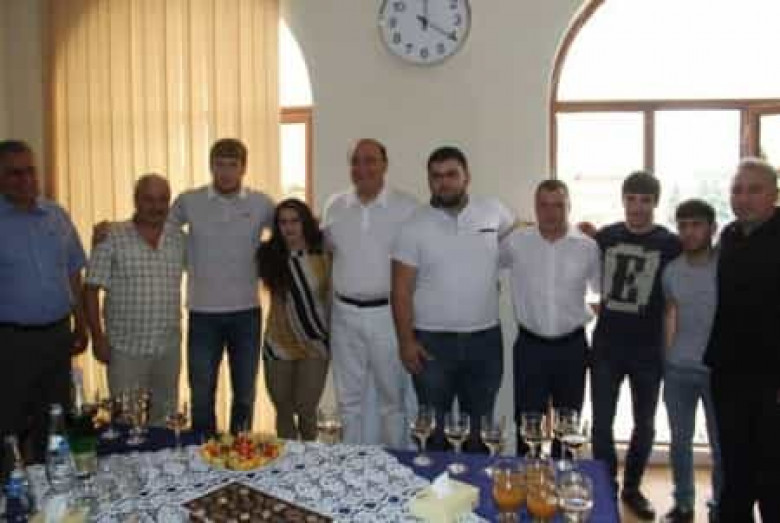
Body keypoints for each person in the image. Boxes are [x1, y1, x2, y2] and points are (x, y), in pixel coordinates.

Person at [392, 145, 515, 450]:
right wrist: (406, 342)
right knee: (433, 432)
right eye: (436, 176)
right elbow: (401, 290)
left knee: (480, 430)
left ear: (466, 177)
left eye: (451, 174)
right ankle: (435, 482)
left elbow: (520, 240)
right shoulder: (413, 226)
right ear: (429, 181)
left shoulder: (493, 211)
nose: (443, 182)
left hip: (485, 341)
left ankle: (476, 482)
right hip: (432, 344)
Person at [590, 171, 681, 520]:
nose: (638, 207)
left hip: (647, 350)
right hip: (607, 347)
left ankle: (632, 488)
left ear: (656, 203)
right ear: (623, 200)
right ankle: (605, 486)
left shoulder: (670, 243)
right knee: (601, 423)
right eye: (631, 199)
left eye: (645, 200)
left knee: (645, 424)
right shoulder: (606, 237)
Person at [170, 138, 275, 435]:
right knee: (202, 394)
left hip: (246, 312)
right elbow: (159, 230)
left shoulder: (261, 203)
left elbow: (290, 231)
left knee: (245, 394)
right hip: (202, 312)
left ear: (243, 168)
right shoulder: (189, 201)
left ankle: (240, 451)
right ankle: (204, 451)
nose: (226, 172)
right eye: (220, 165)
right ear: (210, 166)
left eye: (232, 165)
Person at [322, 138, 418, 447]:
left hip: (387, 315)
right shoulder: (334, 206)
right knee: (348, 400)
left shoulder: (407, 207)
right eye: (356, 161)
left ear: (384, 165)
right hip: (344, 315)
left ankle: (395, 464)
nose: (362, 168)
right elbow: (327, 257)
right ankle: (352, 464)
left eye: (370, 160)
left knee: (392, 399)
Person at [0, 140, 88, 464]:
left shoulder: (56, 215)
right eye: (14, 173)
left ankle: (54, 488)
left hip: (57, 337)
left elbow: (73, 272)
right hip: (11, 342)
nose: (25, 180)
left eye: (30, 171)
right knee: (8, 423)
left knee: (55, 421)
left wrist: (81, 323)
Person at [704, 158, 780, 522]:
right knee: (735, 468)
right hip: (729, 372)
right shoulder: (730, 236)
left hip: (772, 378)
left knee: (772, 473)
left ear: (774, 194)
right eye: (737, 190)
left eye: (754, 190)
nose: (743, 198)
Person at [500, 179, 600, 457]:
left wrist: (587, 315)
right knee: (527, 423)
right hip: (530, 347)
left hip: (572, 348)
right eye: (544, 205)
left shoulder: (587, 247)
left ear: (569, 207)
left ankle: (563, 475)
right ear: (535, 207)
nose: (551, 212)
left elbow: (602, 290)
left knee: (568, 425)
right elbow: (486, 261)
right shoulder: (516, 242)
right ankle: (527, 475)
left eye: (558, 205)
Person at [84, 174, 186, 426]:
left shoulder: (179, 239)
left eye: (162, 200)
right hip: (125, 350)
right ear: (136, 200)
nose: (156, 206)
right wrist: (97, 337)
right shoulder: (111, 237)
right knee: (126, 424)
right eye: (149, 199)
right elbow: (90, 289)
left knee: (165, 423)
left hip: (167, 349)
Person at [661, 199, 722, 523]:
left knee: (720, 445)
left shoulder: (726, 267)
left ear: (712, 228)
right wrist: (667, 360)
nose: (689, 232)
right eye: (683, 226)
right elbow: (670, 316)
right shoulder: (671, 272)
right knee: (679, 442)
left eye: (696, 225)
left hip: (717, 371)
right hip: (679, 370)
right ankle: (683, 504)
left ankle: (720, 506)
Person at [257, 199, 330, 441]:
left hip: (315, 343)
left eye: (294, 221)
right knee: (284, 408)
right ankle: (287, 458)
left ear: (305, 222)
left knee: (306, 407)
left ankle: (310, 458)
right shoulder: (268, 255)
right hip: (278, 343)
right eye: (283, 222)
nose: (289, 227)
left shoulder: (324, 254)